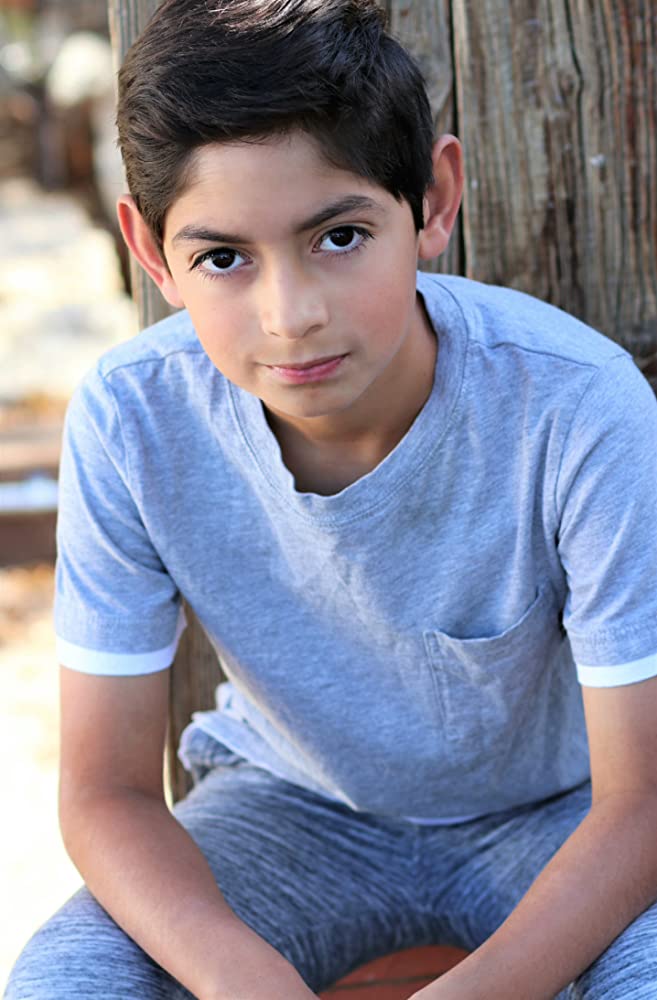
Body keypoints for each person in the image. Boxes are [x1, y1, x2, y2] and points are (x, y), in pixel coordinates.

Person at [6, 1, 657, 998]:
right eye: (224, 257)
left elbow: (643, 800)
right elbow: (105, 793)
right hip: (287, 808)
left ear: (433, 201)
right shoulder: (133, 419)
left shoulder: (576, 406)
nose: (291, 314)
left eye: (340, 236)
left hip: (566, 819)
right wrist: (239, 978)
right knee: (68, 981)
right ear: (152, 252)